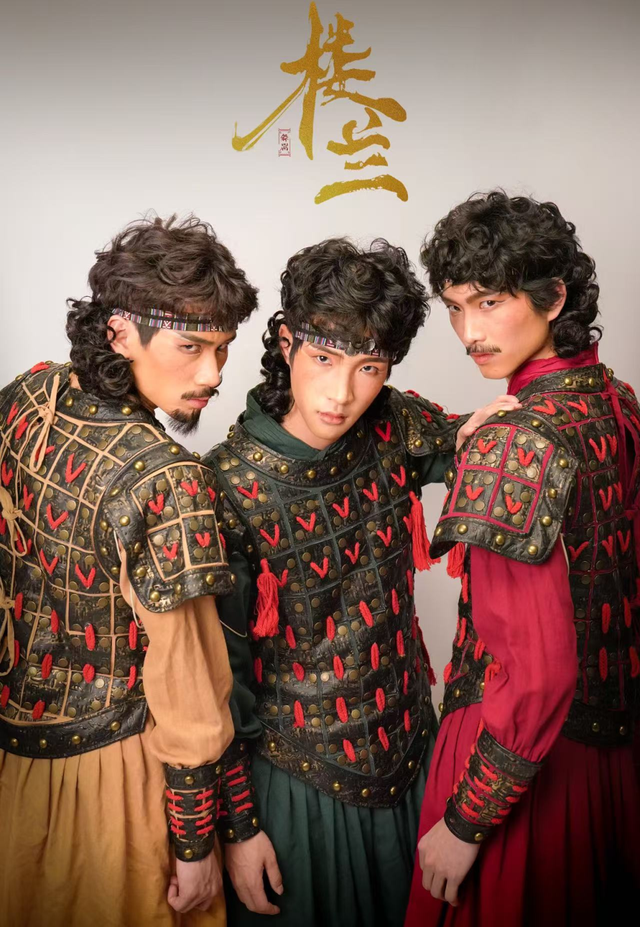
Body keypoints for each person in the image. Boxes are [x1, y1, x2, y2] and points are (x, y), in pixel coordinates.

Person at [203, 238, 519, 927]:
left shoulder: (393, 424)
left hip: (413, 755)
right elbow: (220, 683)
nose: (343, 392)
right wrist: (239, 827)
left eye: (368, 366)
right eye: (324, 358)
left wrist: (514, 418)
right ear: (287, 342)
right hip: (298, 783)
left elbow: (470, 441)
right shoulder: (224, 488)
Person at [0, 215, 258, 927]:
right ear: (119, 333)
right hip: (117, 785)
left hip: (16, 772)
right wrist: (195, 843)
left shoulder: (27, 399)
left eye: (223, 348)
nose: (212, 374)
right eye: (190, 346)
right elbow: (189, 689)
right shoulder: (167, 477)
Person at [405, 191, 640, 927]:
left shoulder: (513, 439)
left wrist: (467, 819)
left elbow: (539, 671)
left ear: (553, 297)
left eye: (489, 302)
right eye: (454, 308)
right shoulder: (617, 402)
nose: (468, 332)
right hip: (610, 756)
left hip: (519, 760)